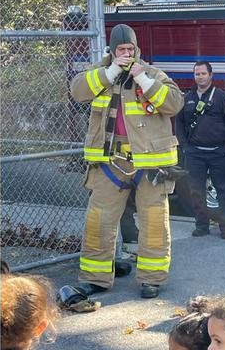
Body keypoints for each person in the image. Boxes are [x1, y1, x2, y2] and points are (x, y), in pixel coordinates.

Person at [71, 23, 183, 299]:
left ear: (137, 49)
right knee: (98, 220)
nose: (126, 54)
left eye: (130, 49)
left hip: (150, 164)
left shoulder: (153, 74)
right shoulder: (100, 75)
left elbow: (174, 103)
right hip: (110, 161)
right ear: (112, 51)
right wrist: (110, 73)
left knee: (154, 221)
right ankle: (95, 278)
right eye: (121, 50)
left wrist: (144, 80)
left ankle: (151, 279)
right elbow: (77, 91)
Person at [175, 62, 225, 240]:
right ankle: (201, 225)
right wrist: (184, 146)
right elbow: (179, 123)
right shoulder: (187, 98)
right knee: (196, 191)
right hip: (195, 153)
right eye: (197, 74)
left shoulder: (222, 98)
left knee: (223, 191)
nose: (200, 77)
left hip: (218, 153)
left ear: (211, 75)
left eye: (203, 73)